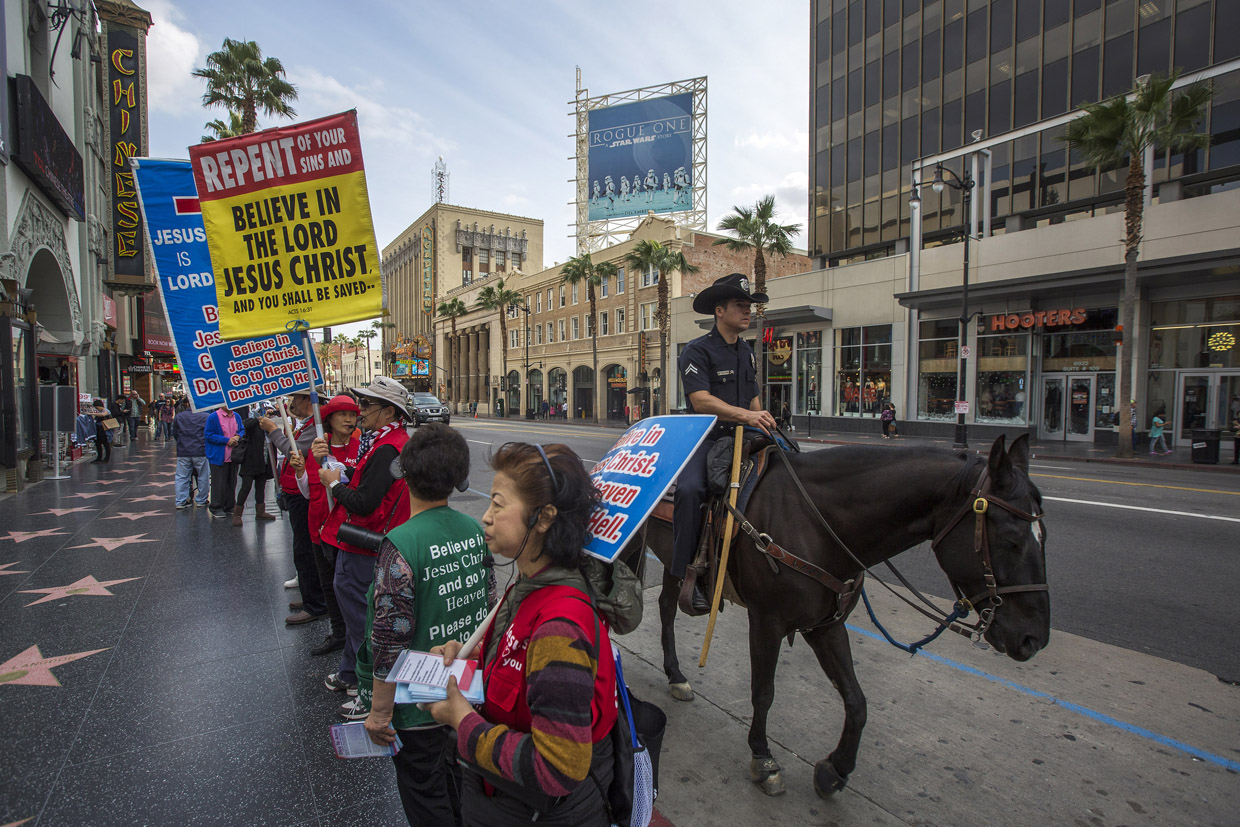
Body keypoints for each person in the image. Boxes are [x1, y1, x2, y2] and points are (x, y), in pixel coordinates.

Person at [426, 442, 642, 827]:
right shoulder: (527, 585)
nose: (486, 517)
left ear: (543, 518)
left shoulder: (560, 626)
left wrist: (462, 721)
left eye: (497, 504)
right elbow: (519, 667)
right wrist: (473, 657)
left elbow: (558, 769)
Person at [361, 424, 492, 825]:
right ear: (459, 480)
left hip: (417, 707)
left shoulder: (401, 542)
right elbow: (486, 602)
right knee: (462, 794)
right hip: (466, 697)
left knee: (427, 800)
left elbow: (388, 636)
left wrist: (379, 712)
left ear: (404, 473)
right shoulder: (473, 530)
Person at [673, 273, 777, 612]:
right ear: (720, 311)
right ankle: (685, 576)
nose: (747, 312)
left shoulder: (746, 352)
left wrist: (763, 425)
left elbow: (753, 400)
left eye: (749, 306)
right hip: (706, 436)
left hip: (744, 435)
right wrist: (746, 417)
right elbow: (701, 401)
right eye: (740, 306)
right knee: (689, 491)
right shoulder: (697, 350)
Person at [319, 376, 412, 710]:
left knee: (361, 619)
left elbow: (364, 502)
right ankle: (349, 673)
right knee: (354, 611)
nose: (360, 410)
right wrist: (344, 470)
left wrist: (333, 484)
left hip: (363, 544)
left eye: (368, 405)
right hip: (373, 542)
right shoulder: (390, 441)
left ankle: (368, 692)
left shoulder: (386, 447)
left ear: (389, 411)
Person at [262, 389, 332, 637]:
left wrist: (273, 430)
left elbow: (295, 450)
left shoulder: (318, 426)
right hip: (298, 490)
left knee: (305, 548)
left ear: (307, 400)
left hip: (307, 493)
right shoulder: (308, 423)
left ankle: (316, 603)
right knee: (303, 548)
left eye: (295, 399)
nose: (292, 403)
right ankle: (310, 593)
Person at [290, 394, 359, 635]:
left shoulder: (363, 447)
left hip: (349, 531)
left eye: (352, 415)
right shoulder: (318, 446)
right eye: (343, 414)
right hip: (319, 526)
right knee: (328, 585)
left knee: (350, 586)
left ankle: (353, 634)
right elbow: (307, 492)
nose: (349, 420)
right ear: (330, 418)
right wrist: (301, 470)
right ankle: (338, 633)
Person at [233, 406, 276, 526]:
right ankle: (237, 514)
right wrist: (259, 419)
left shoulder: (269, 426)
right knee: (246, 487)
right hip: (250, 461)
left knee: (260, 487)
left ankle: (260, 512)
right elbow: (245, 426)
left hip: (263, 461)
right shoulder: (252, 423)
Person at [205, 405, 243, 518]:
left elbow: (241, 430)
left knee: (232, 482)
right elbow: (208, 435)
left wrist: (238, 437)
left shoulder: (237, 416)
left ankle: (230, 505)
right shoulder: (213, 417)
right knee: (219, 483)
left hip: (233, 456)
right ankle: (216, 506)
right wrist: (227, 440)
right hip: (219, 456)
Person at [173, 405, 210, 509]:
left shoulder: (179, 416)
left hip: (183, 450)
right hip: (201, 450)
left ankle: (181, 500)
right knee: (203, 476)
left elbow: (175, 433)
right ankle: (201, 500)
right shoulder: (206, 416)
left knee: (181, 476)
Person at [87, 399, 112, 463]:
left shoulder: (106, 411)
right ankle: (99, 457)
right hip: (98, 429)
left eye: (97, 407)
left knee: (105, 443)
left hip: (104, 430)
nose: (97, 409)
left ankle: (106, 458)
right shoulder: (99, 412)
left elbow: (103, 415)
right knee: (98, 443)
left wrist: (92, 413)